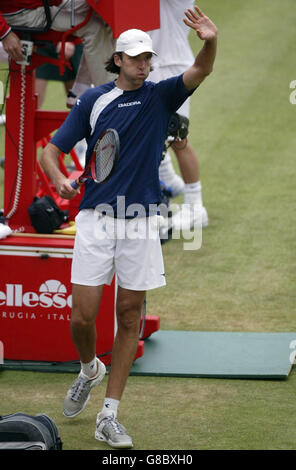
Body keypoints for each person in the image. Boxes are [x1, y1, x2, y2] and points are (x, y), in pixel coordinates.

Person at [40, 5, 218, 449]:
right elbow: (50, 151)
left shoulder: (161, 96)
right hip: (95, 221)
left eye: (149, 57)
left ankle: (109, 414)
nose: (145, 63)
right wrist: (60, 178)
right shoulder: (92, 101)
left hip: (140, 224)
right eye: (136, 57)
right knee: (81, 317)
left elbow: (199, 69)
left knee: (128, 317)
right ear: (118, 59)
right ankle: (88, 369)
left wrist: (210, 41)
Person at [148, 0, 209, 229]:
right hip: (151, 64)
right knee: (149, 131)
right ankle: (169, 182)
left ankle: (195, 207)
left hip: (172, 66)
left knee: (176, 135)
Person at [0, 0, 115, 106]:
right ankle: (109, 101)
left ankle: (85, 90)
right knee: (97, 24)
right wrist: (4, 33)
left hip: (32, 7)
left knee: (107, 19)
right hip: (22, 12)